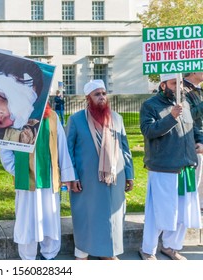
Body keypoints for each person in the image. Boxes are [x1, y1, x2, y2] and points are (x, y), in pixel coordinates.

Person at [65, 79, 134, 260]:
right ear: (88, 98)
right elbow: (67, 151)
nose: (102, 97)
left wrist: (129, 174)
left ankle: (107, 252)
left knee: (112, 215)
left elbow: (125, 149)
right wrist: (72, 176)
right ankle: (82, 252)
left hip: (114, 178)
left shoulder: (117, 119)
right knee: (86, 215)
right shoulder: (76, 120)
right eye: (97, 94)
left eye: (104, 93)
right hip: (86, 179)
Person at [139, 74, 203, 261]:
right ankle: (148, 249)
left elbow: (194, 128)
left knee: (183, 211)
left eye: (181, 83)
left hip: (187, 166)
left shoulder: (187, 104)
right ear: (163, 85)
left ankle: (171, 247)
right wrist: (172, 117)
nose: (179, 87)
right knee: (159, 211)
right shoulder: (150, 105)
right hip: (163, 167)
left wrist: (200, 141)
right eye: (175, 83)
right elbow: (149, 131)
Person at [0, 103, 75, 260]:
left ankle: (49, 255)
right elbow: (5, 148)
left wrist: (67, 176)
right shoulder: (14, 118)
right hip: (26, 181)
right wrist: (17, 170)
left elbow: (62, 147)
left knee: (50, 217)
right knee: (27, 219)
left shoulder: (52, 117)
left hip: (49, 178)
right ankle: (28, 258)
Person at [183, 72, 203, 212]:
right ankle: (192, 206)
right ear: (195, 70)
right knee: (198, 171)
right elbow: (188, 115)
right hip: (194, 137)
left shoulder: (199, 89)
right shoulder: (182, 90)